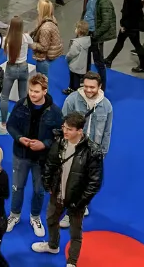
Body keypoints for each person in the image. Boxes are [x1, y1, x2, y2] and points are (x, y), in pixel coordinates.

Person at [32, 112, 103, 261]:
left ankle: (72, 261)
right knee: (51, 220)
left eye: (70, 129)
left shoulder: (92, 151)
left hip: (76, 200)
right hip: (57, 193)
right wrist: (47, 184)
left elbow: (94, 183)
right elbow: (50, 164)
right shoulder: (59, 142)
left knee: (75, 233)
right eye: (64, 127)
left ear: (80, 131)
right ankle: (52, 245)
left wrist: (81, 202)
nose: (65, 131)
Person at [5, 72, 61, 238]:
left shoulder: (55, 112)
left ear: (45, 91)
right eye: (30, 90)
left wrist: (44, 144)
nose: (32, 94)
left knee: (39, 190)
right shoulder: (21, 104)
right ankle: (14, 215)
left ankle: (35, 217)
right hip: (20, 155)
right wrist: (19, 138)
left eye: (36, 91)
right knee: (17, 187)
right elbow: (10, 126)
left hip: (42, 159)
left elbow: (59, 135)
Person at [103, 0, 144, 73]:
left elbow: (128, 13)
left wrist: (123, 24)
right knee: (132, 43)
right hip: (135, 24)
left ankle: (143, 66)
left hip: (129, 25)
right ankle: (109, 59)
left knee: (129, 43)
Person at [81, 0, 115, 89]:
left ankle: (102, 86)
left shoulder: (104, 2)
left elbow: (106, 22)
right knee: (85, 58)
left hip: (95, 35)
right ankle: (85, 80)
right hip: (86, 32)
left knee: (99, 62)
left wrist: (95, 34)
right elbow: (87, 12)